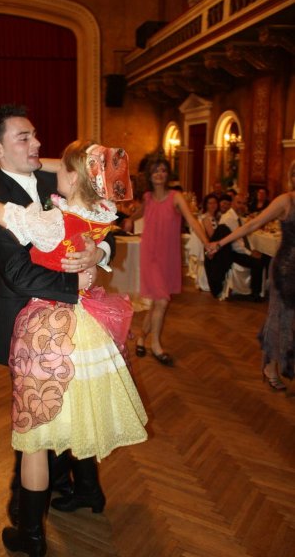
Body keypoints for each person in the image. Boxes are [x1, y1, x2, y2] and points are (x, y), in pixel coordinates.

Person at [0, 137, 148, 557]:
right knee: (77, 411)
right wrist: (97, 249)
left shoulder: (49, 221)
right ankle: (88, 490)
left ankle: (31, 535)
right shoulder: (102, 210)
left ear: (75, 176)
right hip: (86, 324)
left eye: (62, 169)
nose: (51, 171)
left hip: (48, 329)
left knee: (35, 437)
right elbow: (89, 175)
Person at [122, 157, 208, 366]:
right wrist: (129, 220)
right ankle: (156, 345)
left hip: (168, 258)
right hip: (150, 256)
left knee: (157, 301)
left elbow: (191, 220)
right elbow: (138, 213)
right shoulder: (148, 198)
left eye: (163, 170)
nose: (159, 174)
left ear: (167, 174)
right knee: (161, 301)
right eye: (155, 171)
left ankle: (142, 338)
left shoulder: (176, 197)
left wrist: (207, 242)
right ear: (150, 176)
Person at [207, 188, 295, 391]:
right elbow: (253, 224)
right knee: (281, 318)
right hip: (286, 270)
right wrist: (219, 243)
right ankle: (271, 367)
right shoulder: (286, 201)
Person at [218, 193, 269, 302]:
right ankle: (255, 293)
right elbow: (235, 243)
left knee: (266, 257)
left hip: (239, 249)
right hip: (230, 252)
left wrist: (253, 249)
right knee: (258, 262)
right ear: (232, 203)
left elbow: (245, 237)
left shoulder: (238, 217)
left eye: (244, 203)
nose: (241, 206)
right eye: (239, 203)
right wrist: (250, 253)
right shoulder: (229, 218)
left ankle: (265, 287)